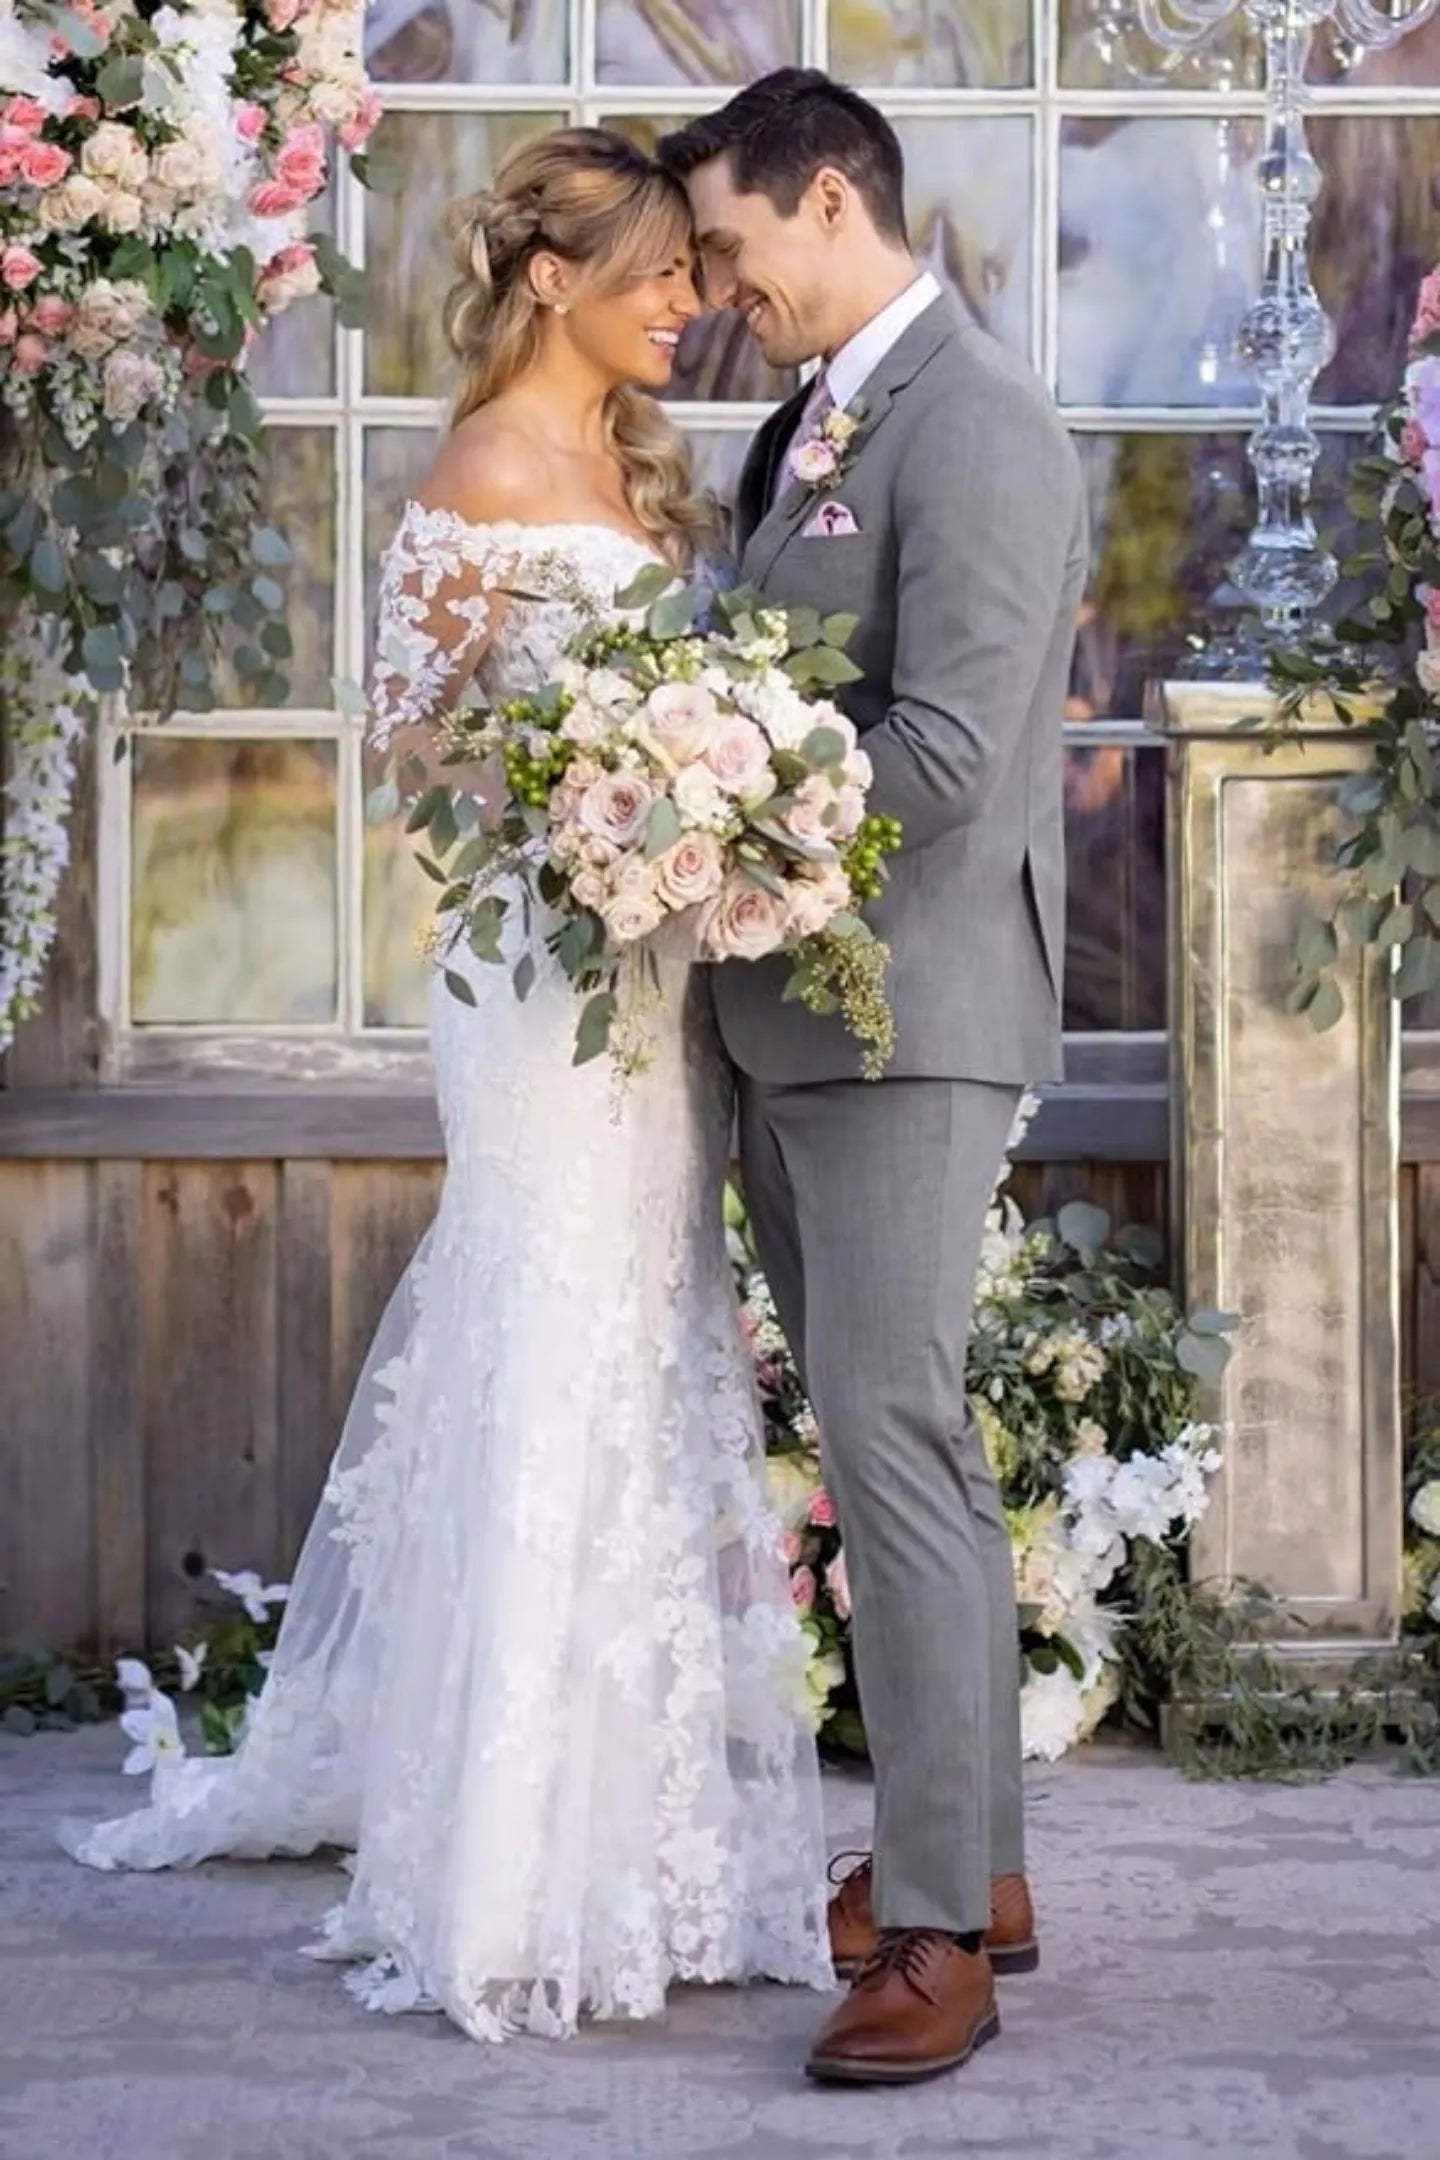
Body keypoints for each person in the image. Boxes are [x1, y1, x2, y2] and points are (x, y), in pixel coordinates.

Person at [58, 126, 833, 2045]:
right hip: (535, 978)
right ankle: (503, 1875)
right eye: (657, 274)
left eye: (695, 273)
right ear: (553, 278)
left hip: (654, 983)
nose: (688, 304)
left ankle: (642, 1845)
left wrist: (697, 803)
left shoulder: (647, 468)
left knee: (648, 1339)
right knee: (550, 1339)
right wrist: (590, 797)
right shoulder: (485, 467)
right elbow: (414, 745)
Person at [659, 71, 1088, 2085]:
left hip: (908, 1019)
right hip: (799, 1019)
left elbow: (955, 760)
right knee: (894, 1438)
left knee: (896, 1449)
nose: (716, 291)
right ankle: (973, 1863)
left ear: (828, 198)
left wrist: (705, 810)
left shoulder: (980, 421)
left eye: (730, 247)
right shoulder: (804, 422)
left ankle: (937, 1938)